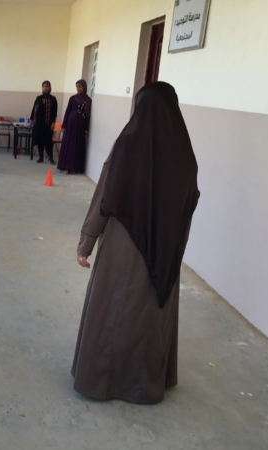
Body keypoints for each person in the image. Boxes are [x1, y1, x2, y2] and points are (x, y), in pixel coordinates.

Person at [72, 82, 200, 405]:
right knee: (149, 315)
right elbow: (188, 204)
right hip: (163, 249)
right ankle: (144, 384)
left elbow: (105, 194)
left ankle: (103, 381)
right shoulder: (184, 154)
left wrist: (86, 241)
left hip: (123, 244)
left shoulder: (128, 144)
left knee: (114, 309)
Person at [57, 79, 92, 174]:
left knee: (77, 145)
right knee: (68, 145)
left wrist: (86, 128)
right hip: (70, 125)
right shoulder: (72, 98)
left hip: (80, 127)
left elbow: (88, 116)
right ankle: (66, 167)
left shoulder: (88, 100)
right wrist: (64, 125)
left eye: (80, 86)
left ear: (84, 87)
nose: (78, 88)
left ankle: (75, 168)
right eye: (77, 86)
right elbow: (67, 112)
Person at [30, 80, 58, 164]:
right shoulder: (38, 98)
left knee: (48, 141)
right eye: (44, 86)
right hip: (38, 124)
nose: (45, 88)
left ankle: (51, 158)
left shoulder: (53, 99)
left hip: (48, 124)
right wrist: (31, 121)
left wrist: (53, 122)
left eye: (47, 86)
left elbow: (54, 112)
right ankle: (41, 157)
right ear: (42, 88)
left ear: (50, 88)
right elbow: (33, 110)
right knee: (40, 141)